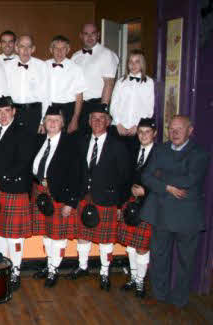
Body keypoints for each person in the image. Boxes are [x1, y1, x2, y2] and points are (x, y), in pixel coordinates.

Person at [142, 115, 210, 308]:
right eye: (171, 129)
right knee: (159, 256)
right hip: (161, 212)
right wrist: (167, 187)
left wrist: (161, 175)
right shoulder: (160, 150)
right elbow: (146, 176)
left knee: (185, 261)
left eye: (179, 129)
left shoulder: (200, 154)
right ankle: (159, 294)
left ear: (190, 130)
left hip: (187, 217)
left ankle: (179, 299)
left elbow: (190, 180)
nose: (174, 133)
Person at [71, 104, 129, 291]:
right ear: (88, 121)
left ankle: (104, 272)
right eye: (93, 118)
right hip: (84, 196)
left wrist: (119, 205)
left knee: (106, 239)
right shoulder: (81, 142)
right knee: (82, 235)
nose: (97, 121)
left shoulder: (118, 146)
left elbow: (124, 177)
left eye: (101, 118)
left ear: (108, 122)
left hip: (107, 198)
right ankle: (82, 266)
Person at [0, 96, 35, 291]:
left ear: (14, 111)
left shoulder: (23, 132)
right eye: (0, 111)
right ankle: (2, 268)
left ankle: (15, 273)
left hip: (12, 189)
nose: (3, 115)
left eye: (7, 111)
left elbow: (23, 163)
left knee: (14, 236)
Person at [30, 107, 80, 288]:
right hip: (40, 191)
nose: (51, 123)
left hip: (59, 194)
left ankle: (54, 269)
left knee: (58, 235)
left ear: (63, 123)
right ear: (43, 122)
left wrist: (71, 202)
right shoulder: (39, 141)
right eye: (48, 120)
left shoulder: (70, 144)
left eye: (56, 120)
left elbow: (77, 175)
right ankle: (49, 263)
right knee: (46, 232)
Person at [117, 118, 158, 298]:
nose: (143, 135)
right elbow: (124, 176)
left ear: (154, 134)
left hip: (148, 205)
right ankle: (133, 277)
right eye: (140, 132)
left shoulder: (160, 154)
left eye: (147, 132)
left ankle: (141, 281)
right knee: (131, 245)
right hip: (129, 202)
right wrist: (120, 203)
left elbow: (165, 181)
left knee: (142, 246)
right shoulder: (132, 150)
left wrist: (146, 191)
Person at [71, 23, 119, 135]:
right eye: (86, 34)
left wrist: (102, 111)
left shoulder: (107, 54)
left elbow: (109, 83)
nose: (89, 37)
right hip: (77, 106)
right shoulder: (75, 56)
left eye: (93, 34)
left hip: (96, 105)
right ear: (81, 36)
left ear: (98, 35)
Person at [110, 49, 154, 153]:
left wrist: (137, 125)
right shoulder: (121, 82)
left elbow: (149, 108)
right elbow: (114, 105)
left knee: (133, 160)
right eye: (130, 62)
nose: (133, 65)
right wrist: (118, 124)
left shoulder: (149, 82)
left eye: (137, 61)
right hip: (118, 128)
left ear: (142, 64)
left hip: (137, 130)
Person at [6, 35, 50, 134]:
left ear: (33, 49)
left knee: (31, 147)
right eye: (22, 46)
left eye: (28, 47)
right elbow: (5, 93)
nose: (25, 50)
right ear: (16, 48)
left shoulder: (42, 66)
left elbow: (46, 95)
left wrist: (43, 120)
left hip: (34, 113)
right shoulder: (8, 66)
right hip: (13, 112)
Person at [46, 35, 86, 133]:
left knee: (66, 142)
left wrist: (75, 119)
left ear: (68, 50)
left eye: (63, 48)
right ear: (51, 49)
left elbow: (79, 96)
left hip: (68, 110)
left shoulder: (76, 69)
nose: (59, 52)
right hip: (49, 108)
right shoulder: (43, 66)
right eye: (56, 48)